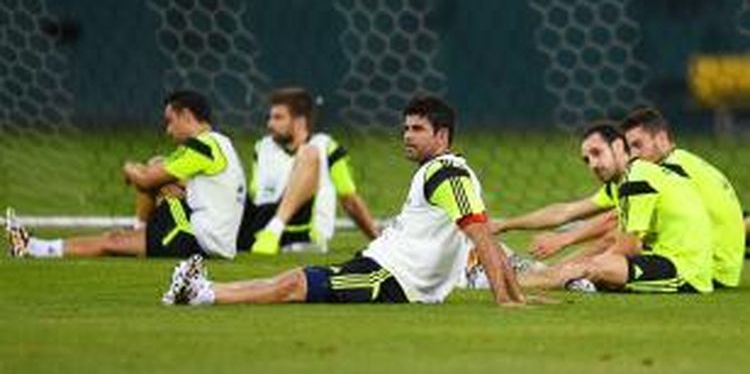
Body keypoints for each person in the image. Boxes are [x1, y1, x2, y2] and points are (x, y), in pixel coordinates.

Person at [162, 96, 526, 306]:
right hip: (382, 267)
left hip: (390, 279)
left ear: (442, 134)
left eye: (417, 129)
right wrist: (516, 299)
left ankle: (204, 293)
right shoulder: (441, 172)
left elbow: (481, 236)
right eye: (405, 128)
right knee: (298, 279)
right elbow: (485, 235)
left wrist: (507, 300)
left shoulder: (447, 174)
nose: (406, 136)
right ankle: (202, 289)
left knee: (297, 283)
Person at [6, 90, 247, 260]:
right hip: (211, 233)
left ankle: (33, 248)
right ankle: (140, 231)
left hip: (200, 239)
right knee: (157, 168)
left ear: (186, 115)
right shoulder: (219, 143)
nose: (168, 130)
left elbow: (145, 179)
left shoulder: (202, 146)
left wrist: (128, 168)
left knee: (114, 241)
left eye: (170, 121)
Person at [512, 122, 714, 293]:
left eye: (597, 153)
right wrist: (562, 267)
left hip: (686, 270)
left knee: (597, 266)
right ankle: (547, 276)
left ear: (618, 146)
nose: (592, 164)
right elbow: (613, 236)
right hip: (674, 258)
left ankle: (509, 282)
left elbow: (628, 248)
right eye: (587, 160)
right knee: (595, 260)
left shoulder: (636, 180)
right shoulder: (637, 174)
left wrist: (579, 266)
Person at [237, 87, 379, 255]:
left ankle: (273, 231)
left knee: (309, 153)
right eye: (270, 118)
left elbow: (349, 199)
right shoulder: (262, 147)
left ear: (299, 120)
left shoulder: (325, 147)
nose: (270, 124)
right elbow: (256, 194)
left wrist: (378, 240)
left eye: (278, 118)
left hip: (300, 232)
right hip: (258, 228)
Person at [619, 107, 745, 288]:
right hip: (724, 267)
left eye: (638, 145)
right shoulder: (684, 161)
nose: (634, 155)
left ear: (661, 139)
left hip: (708, 268)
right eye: (629, 148)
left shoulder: (672, 170)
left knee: (621, 253)